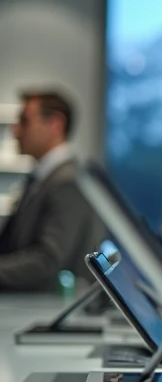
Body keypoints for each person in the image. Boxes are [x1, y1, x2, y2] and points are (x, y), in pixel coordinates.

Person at [0, 89, 104, 292]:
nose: (15, 130)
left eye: (25, 121)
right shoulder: (45, 179)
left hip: (39, 310)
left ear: (56, 124)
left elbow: (48, 259)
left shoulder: (67, 181)